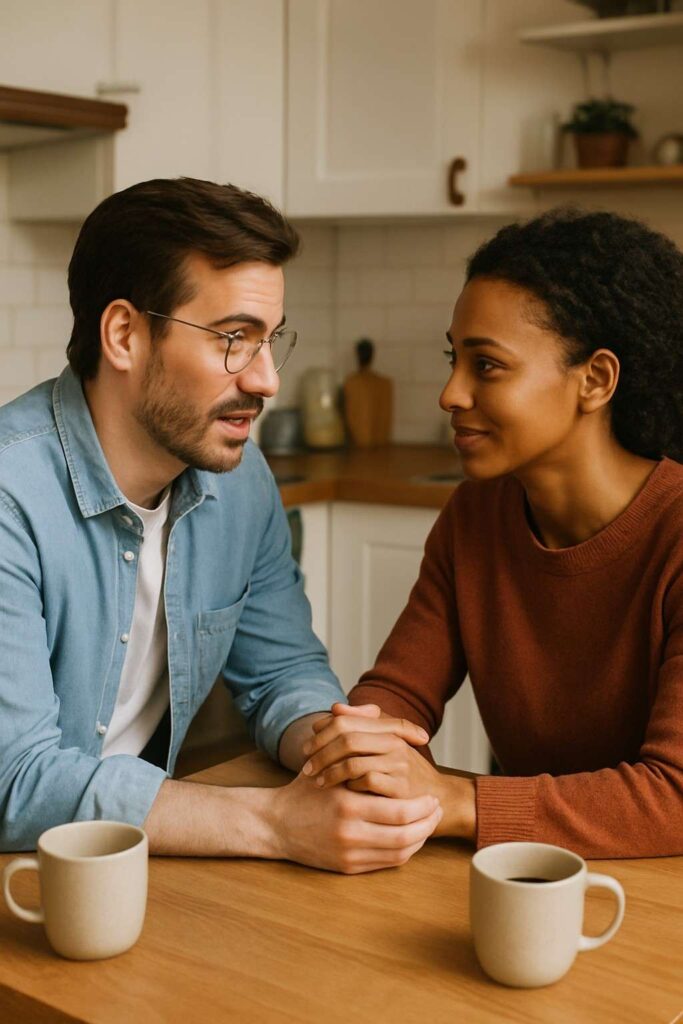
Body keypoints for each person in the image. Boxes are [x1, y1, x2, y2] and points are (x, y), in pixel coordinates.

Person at [0, 177, 441, 870]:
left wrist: (333, 747)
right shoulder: (9, 495)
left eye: (270, 341)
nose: (266, 379)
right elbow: (15, 781)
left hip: (130, 866)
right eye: (233, 339)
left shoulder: (242, 483)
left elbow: (281, 670)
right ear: (123, 335)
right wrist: (274, 823)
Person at [300, 207, 683, 859]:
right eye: (455, 360)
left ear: (594, 380)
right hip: (524, 869)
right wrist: (363, 743)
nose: (450, 393)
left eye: (487, 366)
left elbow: (672, 797)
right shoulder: (474, 517)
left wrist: (458, 801)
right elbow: (399, 691)